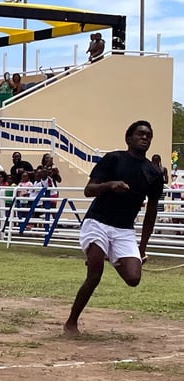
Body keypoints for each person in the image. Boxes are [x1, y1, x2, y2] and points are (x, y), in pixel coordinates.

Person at [63, 121, 163, 337]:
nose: (144, 137)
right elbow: (88, 190)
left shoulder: (153, 174)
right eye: (140, 134)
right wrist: (110, 185)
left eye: (148, 135)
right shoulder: (113, 159)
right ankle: (71, 322)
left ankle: (108, 253)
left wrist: (142, 246)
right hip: (98, 222)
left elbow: (151, 212)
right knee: (95, 274)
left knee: (133, 279)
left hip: (124, 229)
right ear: (128, 138)